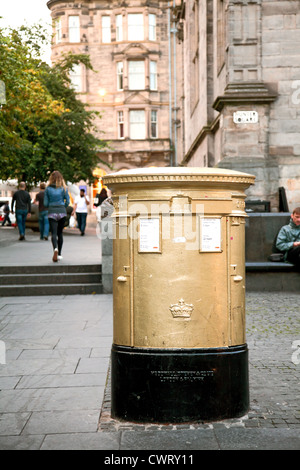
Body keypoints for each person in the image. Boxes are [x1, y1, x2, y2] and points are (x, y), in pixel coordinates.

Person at [44, 171, 70, 262]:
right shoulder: (64, 188)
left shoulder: (47, 189)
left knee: (54, 233)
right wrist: (63, 206)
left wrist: (51, 205)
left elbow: (45, 203)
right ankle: (59, 254)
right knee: (60, 233)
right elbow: (68, 202)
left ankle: (55, 248)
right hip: (62, 212)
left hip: (52, 212)